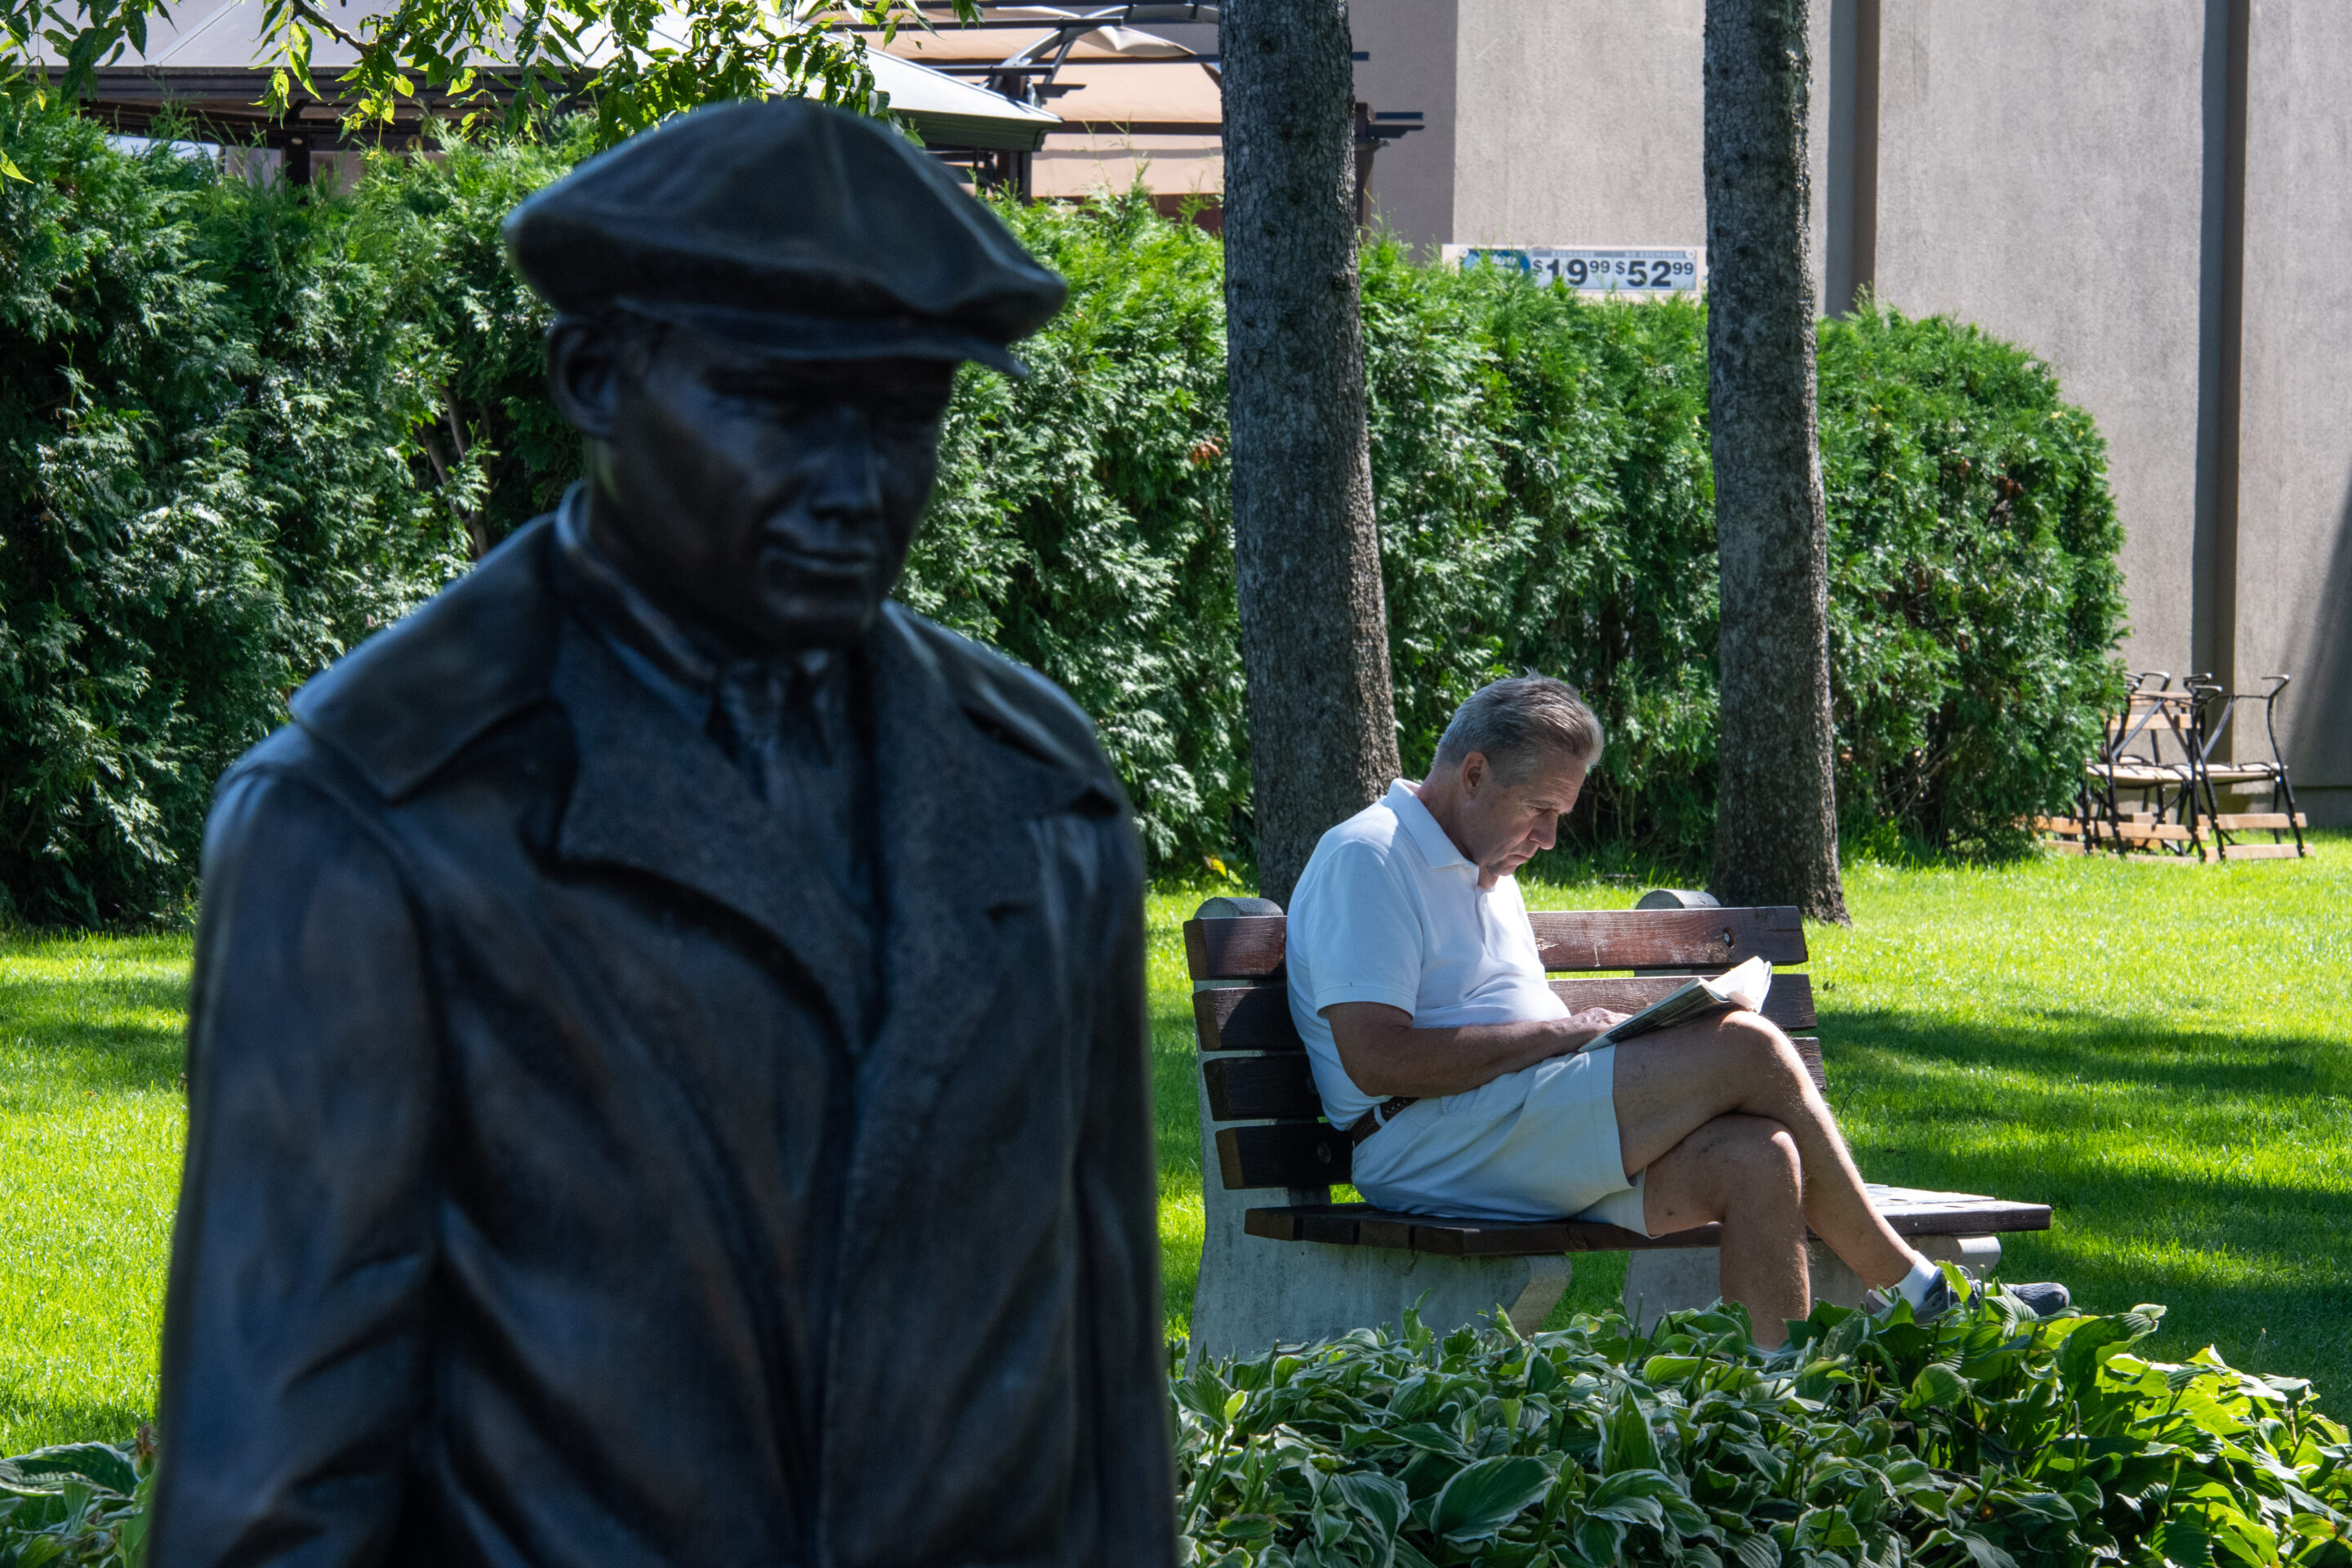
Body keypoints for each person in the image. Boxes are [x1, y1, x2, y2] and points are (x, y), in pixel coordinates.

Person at [148, 100, 1174, 1567]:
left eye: (902, 415)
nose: (851, 486)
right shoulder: (379, 813)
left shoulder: (1041, 787)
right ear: (597, 378)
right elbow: (270, 1491)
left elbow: (1106, 1393)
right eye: (775, 403)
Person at [1285, 674, 2062, 1345]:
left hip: (1510, 1124)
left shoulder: (1487, 866)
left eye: (1561, 814)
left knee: (1761, 1160)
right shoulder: (1373, 856)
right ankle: (1926, 1293)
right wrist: (1551, 1037)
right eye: (1540, 810)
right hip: (1421, 1140)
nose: (1551, 838)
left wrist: (1594, 1043)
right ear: (1475, 774)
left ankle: (1771, 1418)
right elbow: (1376, 1058)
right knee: (1749, 1049)